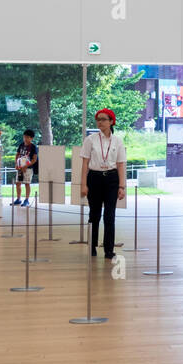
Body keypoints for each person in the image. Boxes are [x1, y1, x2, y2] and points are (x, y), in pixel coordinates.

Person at [80, 108, 126, 259]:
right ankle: (92, 246)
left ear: (111, 121)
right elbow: (85, 163)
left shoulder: (118, 141)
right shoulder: (90, 140)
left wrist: (121, 186)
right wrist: (83, 184)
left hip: (112, 179)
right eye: (98, 119)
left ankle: (108, 249)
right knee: (94, 215)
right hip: (94, 178)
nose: (100, 122)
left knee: (110, 215)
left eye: (103, 119)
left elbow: (120, 164)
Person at [13, 128, 39, 206]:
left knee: (27, 183)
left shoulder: (33, 147)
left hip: (28, 168)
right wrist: (16, 164)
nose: (25, 139)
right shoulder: (21, 145)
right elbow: (17, 155)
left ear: (31, 138)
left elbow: (34, 159)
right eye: (24, 137)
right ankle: (18, 199)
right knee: (18, 183)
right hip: (20, 168)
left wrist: (26, 166)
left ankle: (26, 200)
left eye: (28, 137)